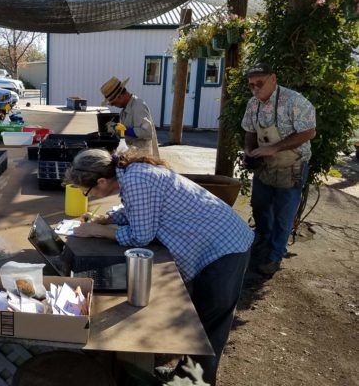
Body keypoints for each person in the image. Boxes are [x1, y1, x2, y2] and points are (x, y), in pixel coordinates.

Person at [65, 148, 253, 385]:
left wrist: (97, 231)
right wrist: (108, 218)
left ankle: (196, 382)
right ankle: (184, 376)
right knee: (199, 320)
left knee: (207, 327)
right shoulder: (130, 173)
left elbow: (140, 235)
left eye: (88, 191)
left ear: (101, 181)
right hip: (217, 242)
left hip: (224, 247)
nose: (89, 196)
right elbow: (139, 209)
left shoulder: (136, 178)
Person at [241, 63, 316, 276]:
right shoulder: (253, 104)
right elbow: (249, 132)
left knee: (284, 215)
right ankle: (264, 243)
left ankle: (274, 256)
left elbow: (309, 132)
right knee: (260, 206)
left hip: (292, 166)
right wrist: (249, 151)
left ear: (273, 79)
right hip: (266, 166)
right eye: (251, 85)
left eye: (260, 84)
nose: (255, 89)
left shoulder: (295, 101)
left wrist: (274, 147)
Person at [100, 76, 160, 158]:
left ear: (120, 97)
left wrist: (125, 131)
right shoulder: (124, 111)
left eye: (113, 103)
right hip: (131, 155)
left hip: (143, 158)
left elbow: (147, 132)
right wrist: (117, 132)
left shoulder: (138, 105)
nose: (114, 105)